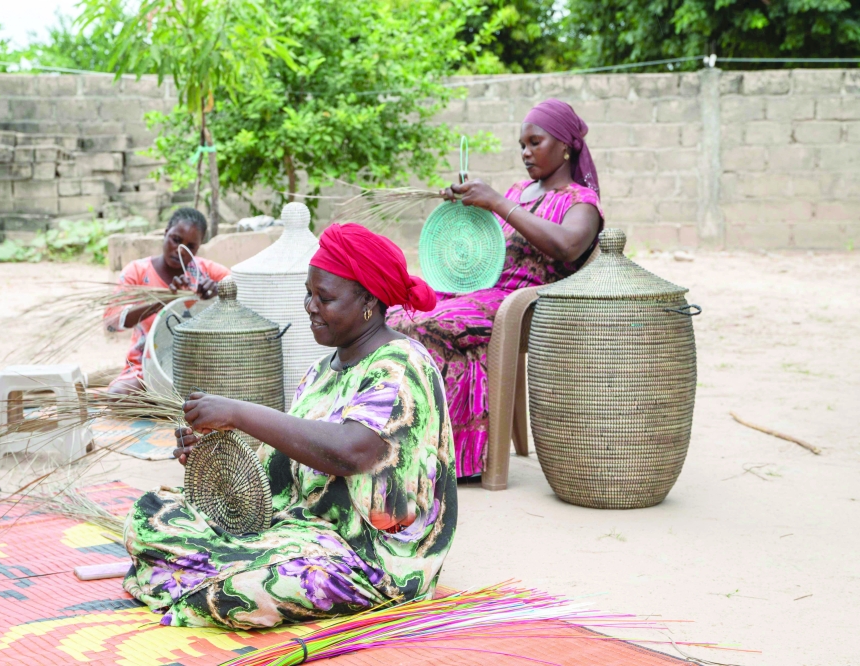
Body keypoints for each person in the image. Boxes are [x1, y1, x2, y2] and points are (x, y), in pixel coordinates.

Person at [122, 223, 457, 630]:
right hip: (298, 532)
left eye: (325, 297)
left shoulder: (401, 366)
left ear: (369, 299)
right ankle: (207, 581)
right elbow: (278, 478)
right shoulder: (321, 371)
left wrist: (238, 413)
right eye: (309, 293)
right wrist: (211, 461)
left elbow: (349, 452)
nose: (310, 306)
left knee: (243, 591)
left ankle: (206, 583)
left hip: (370, 558)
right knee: (149, 517)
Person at [387, 99, 604, 479]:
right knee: (395, 314)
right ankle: (403, 439)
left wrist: (498, 202)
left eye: (535, 142)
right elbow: (492, 240)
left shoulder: (581, 202)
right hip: (483, 294)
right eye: (522, 144)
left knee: (431, 322)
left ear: (566, 146)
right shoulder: (521, 191)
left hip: (522, 304)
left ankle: (449, 454)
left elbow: (569, 245)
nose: (525, 152)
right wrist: (467, 206)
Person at [104, 208, 230, 395]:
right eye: (176, 240)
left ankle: (175, 401)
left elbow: (244, 287)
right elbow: (111, 323)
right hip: (146, 365)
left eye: (190, 246)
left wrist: (220, 290)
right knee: (118, 395)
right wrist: (162, 301)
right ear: (165, 233)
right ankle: (172, 400)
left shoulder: (206, 272)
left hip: (200, 367)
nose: (180, 250)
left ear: (198, 247)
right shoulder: (137, 272)